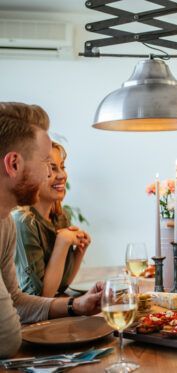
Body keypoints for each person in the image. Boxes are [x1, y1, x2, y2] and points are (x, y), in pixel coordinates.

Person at [0, 102, 102, 358]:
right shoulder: (20, 222)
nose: (53, 173)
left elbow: (17, 301)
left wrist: (75, 305)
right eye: (47, 162)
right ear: (13, 164)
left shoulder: (6, 224)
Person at [13, 141, 91, 297]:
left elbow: (61, 284)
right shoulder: (23, 222)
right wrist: (62, 243)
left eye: (62, 167)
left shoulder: (61, 217)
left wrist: (80, 251)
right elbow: (40, 298)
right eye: (52, 168)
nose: (62, 175)